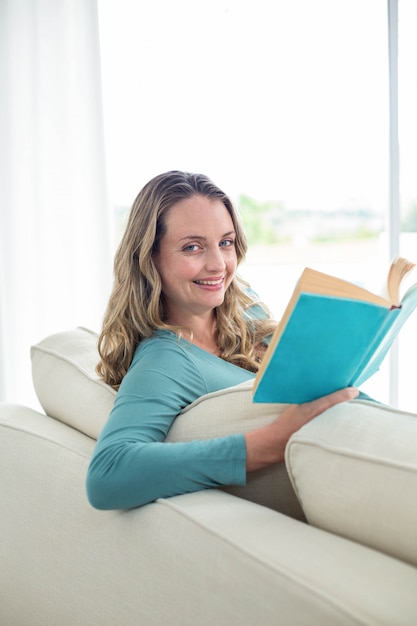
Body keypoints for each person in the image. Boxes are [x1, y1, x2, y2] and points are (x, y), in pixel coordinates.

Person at [86, 170, 358, 510]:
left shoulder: (247, 309)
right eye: (193, 247)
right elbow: (107, 476)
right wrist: (268, 444)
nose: (218, 265)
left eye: (225, 243)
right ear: (149, 257)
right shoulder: (165, 360)